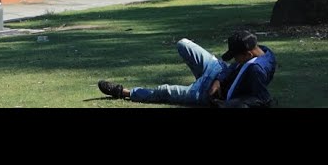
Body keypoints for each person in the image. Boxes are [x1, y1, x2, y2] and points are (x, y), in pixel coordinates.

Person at [97, 29, 276, 108]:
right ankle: (206, 80)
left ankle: (124, 92)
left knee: (164, 91)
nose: (236, 59)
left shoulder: (256, 71)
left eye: (236, 55)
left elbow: (262, 98)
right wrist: (218, 80)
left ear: (247, 54)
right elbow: (234, 66)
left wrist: (222, 102)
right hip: (216, 70)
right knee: (184, 44)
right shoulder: (266, 52)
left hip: (205, 93)